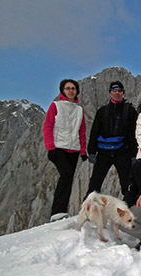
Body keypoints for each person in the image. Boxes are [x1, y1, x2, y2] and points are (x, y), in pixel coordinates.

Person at [43, 79, 87, 222]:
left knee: (69, 179)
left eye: (73, 88)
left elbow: (82, 132)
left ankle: (62, 211)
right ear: (63, 90)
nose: (70, 91)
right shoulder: (56, 106)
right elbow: (48, 126)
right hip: (59, 148)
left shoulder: (79, 110)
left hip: (73, 149)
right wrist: (50, 148)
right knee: (66, 174)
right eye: (67, 88)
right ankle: (56, 211)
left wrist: (83, 151)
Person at [86, 81, 138, 198]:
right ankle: (88, 210)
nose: (117, 93)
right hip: (103, 152)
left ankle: (130, 209)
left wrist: (134, 154)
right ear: (110, 92)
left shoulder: (130, 111)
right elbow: (95, 131)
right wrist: (92, 152)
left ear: (123, 93)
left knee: (127, 184)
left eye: (119, 91)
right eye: (114, 90)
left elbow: (134, 133)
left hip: (123, 152)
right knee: (95, 183)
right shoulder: (102, 111)